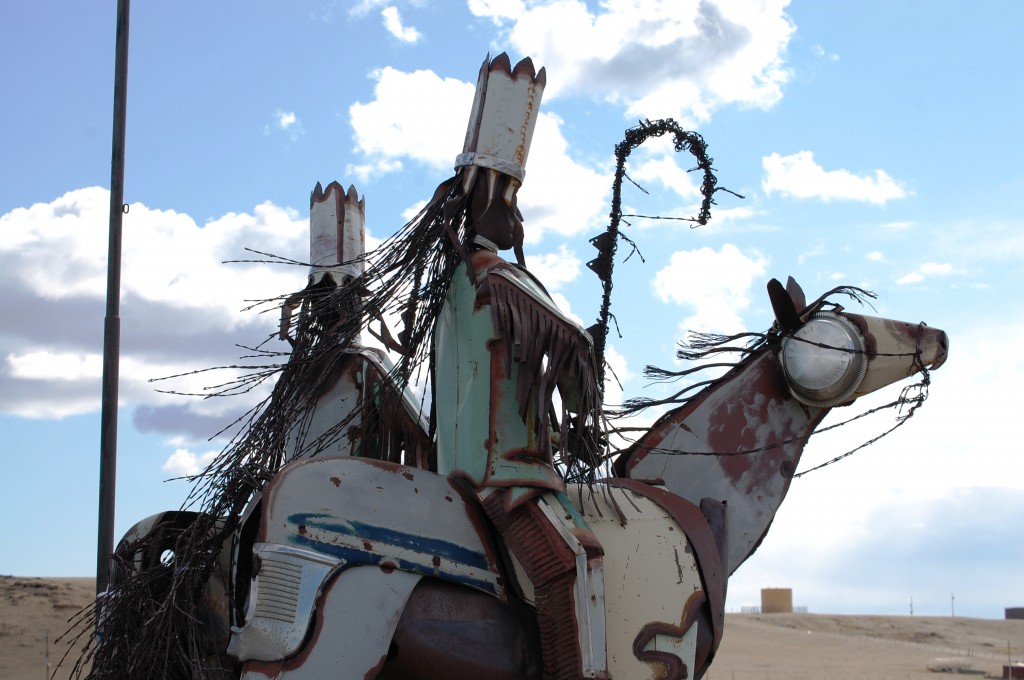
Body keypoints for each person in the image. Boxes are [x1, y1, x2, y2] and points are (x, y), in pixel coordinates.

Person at [431, 53, 609, 680]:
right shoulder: (499, 277)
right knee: (577, 560)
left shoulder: (448, 289)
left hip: (449, 468)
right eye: (510, 198)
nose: (516, 214)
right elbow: (574, 356)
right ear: (489, 202)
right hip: (505, 473)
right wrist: (589, 342)